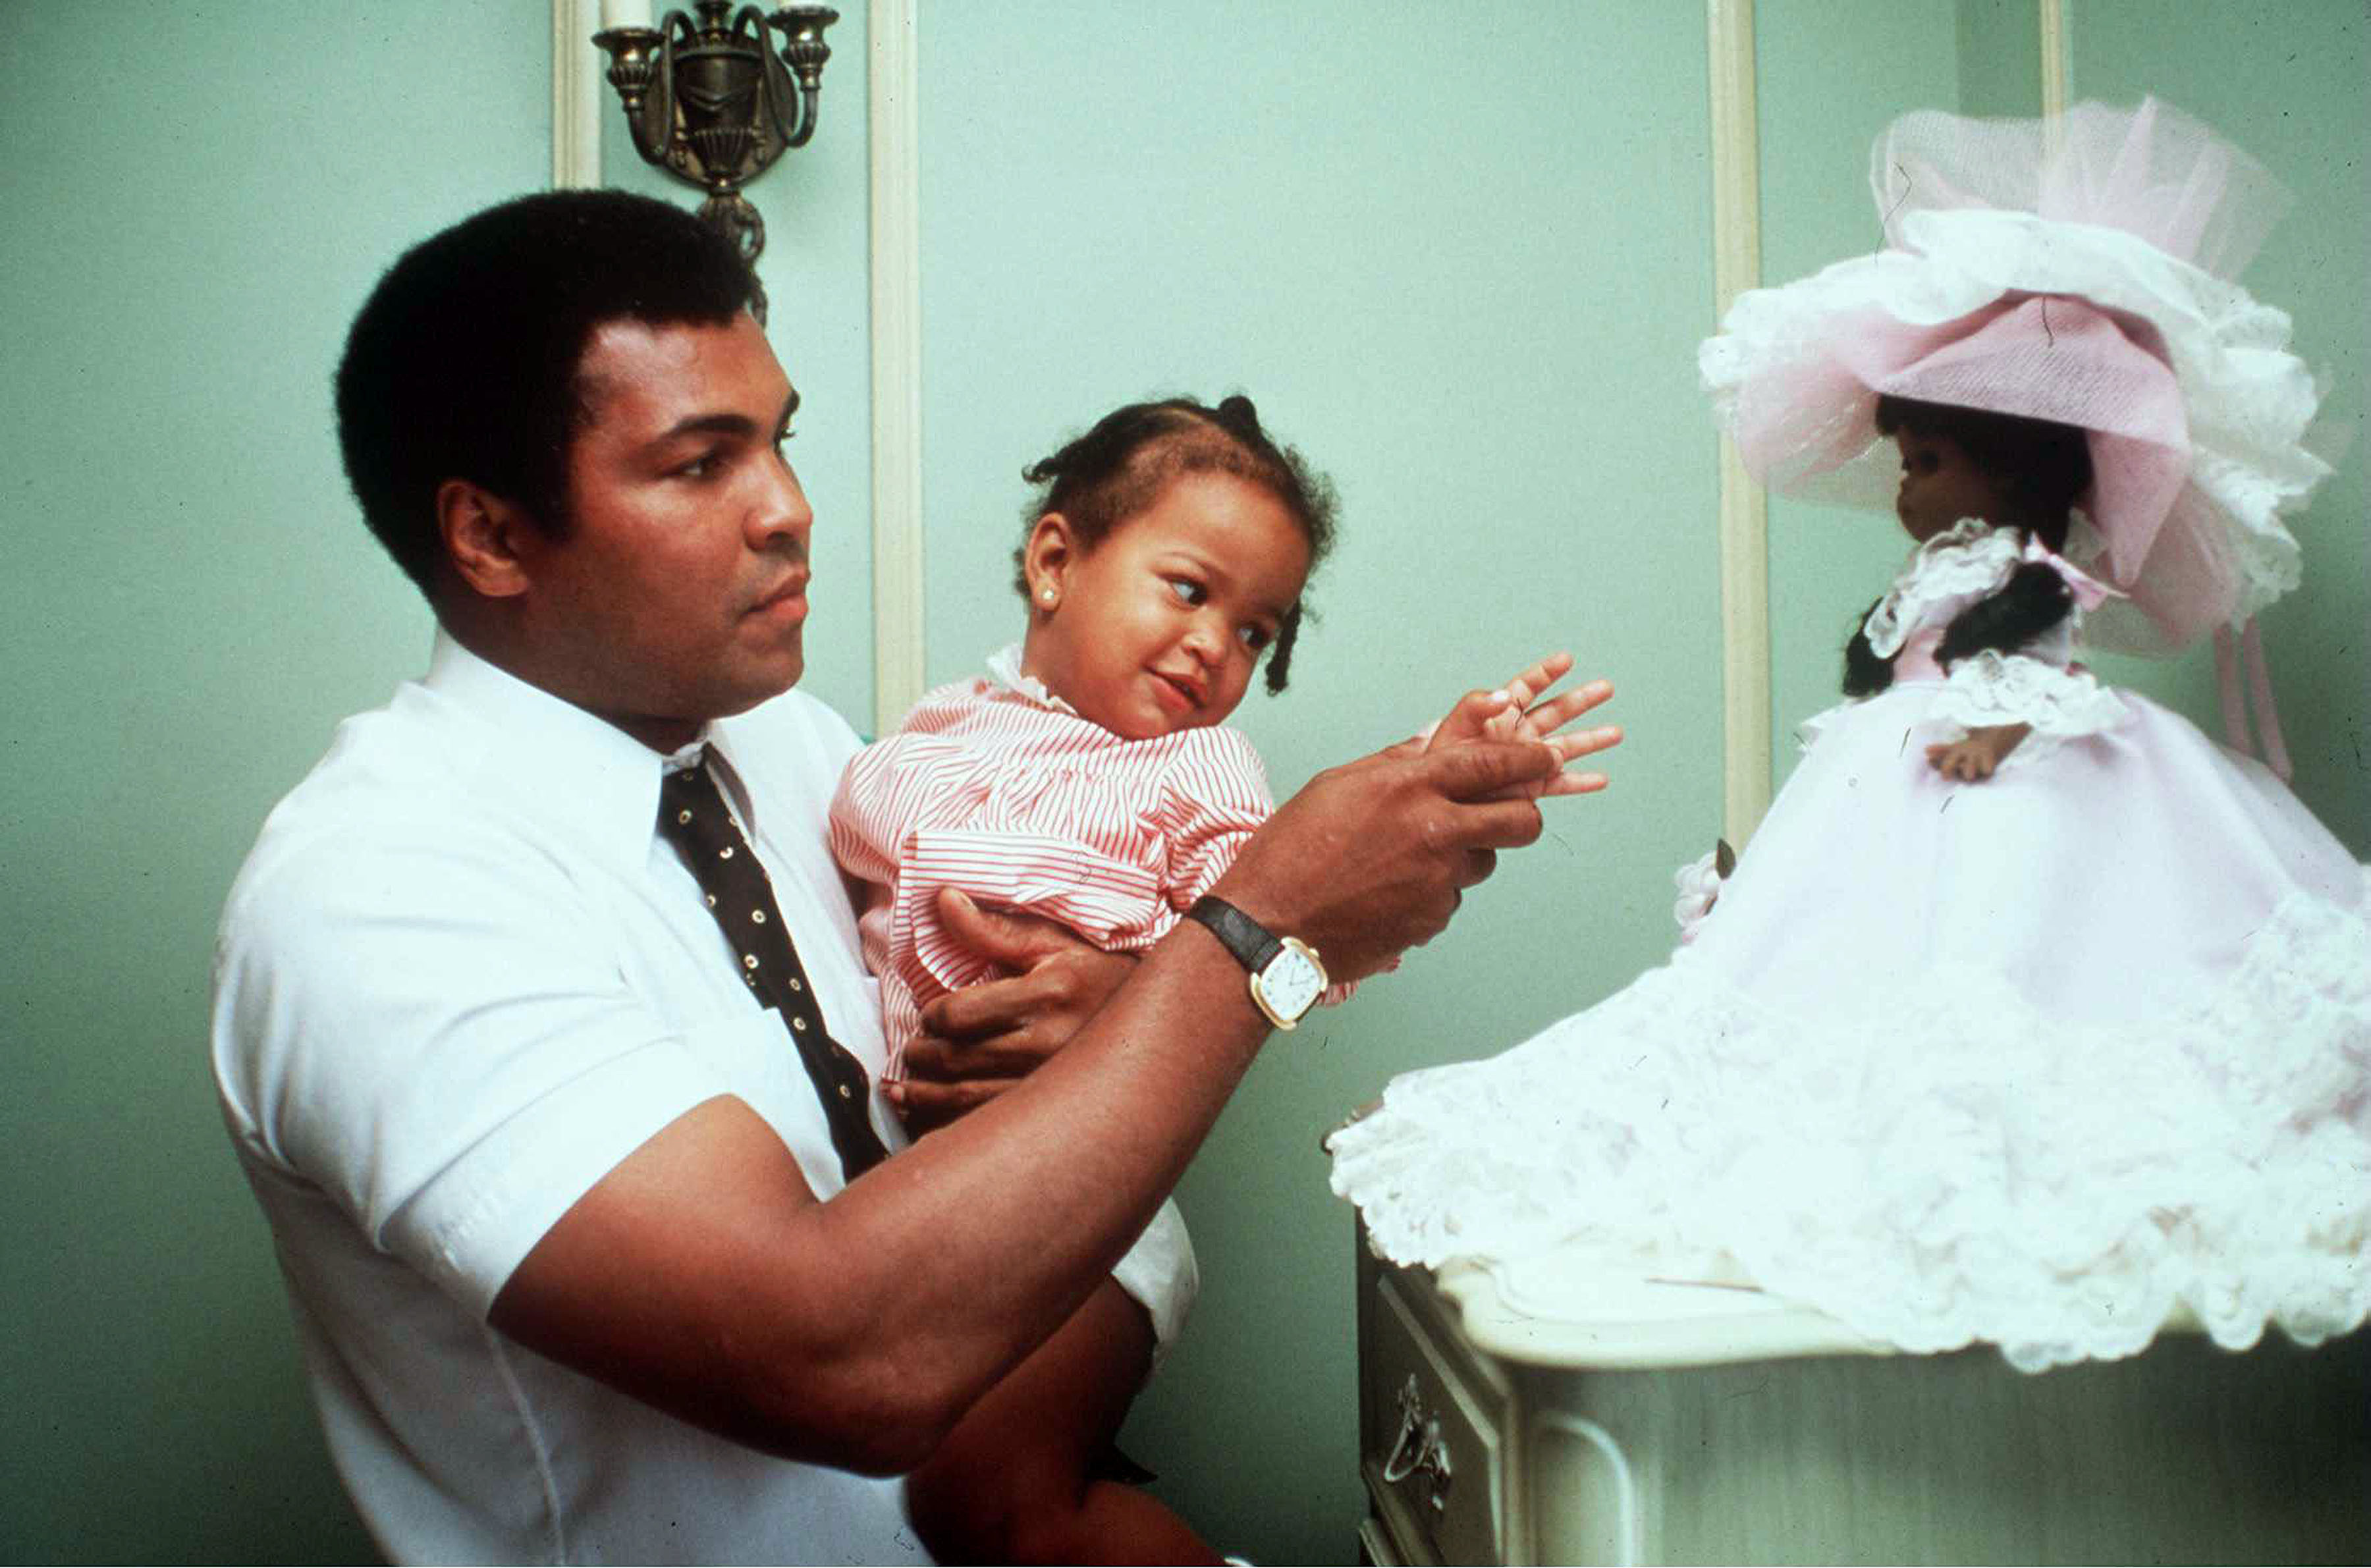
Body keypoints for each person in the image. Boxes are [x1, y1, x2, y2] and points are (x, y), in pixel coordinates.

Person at [209, 187, 1618, 1564]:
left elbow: (1031, 988)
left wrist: (1115, 1002)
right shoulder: (375, 892)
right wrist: (1264, 933)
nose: (790, 511)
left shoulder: (788, 747)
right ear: (493, 536)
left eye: (781, 442)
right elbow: (842, 1360)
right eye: (703, 463)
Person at [1328, 98, 2370, 1375]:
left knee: (2001, 949)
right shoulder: (1943, 578)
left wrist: (1995, 728)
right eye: (1907, 460)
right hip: (1900, 769)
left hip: (2003, 780)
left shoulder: (2031, 580)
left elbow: (2047, 666)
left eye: (1929, 460)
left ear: (2017, 468)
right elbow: (1893, 686)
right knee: (1829, 951)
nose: (1908, 490)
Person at [829, 395, 1613, 1562]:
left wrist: (1424, 775)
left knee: (989, 1501)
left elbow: (1304, 940)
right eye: (1190, 591)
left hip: (1094, 1209)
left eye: (1258, 632)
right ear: (1055, 561)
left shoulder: (1200, 771)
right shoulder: (939, 730)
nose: (1216, 646)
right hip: (928, 1188)